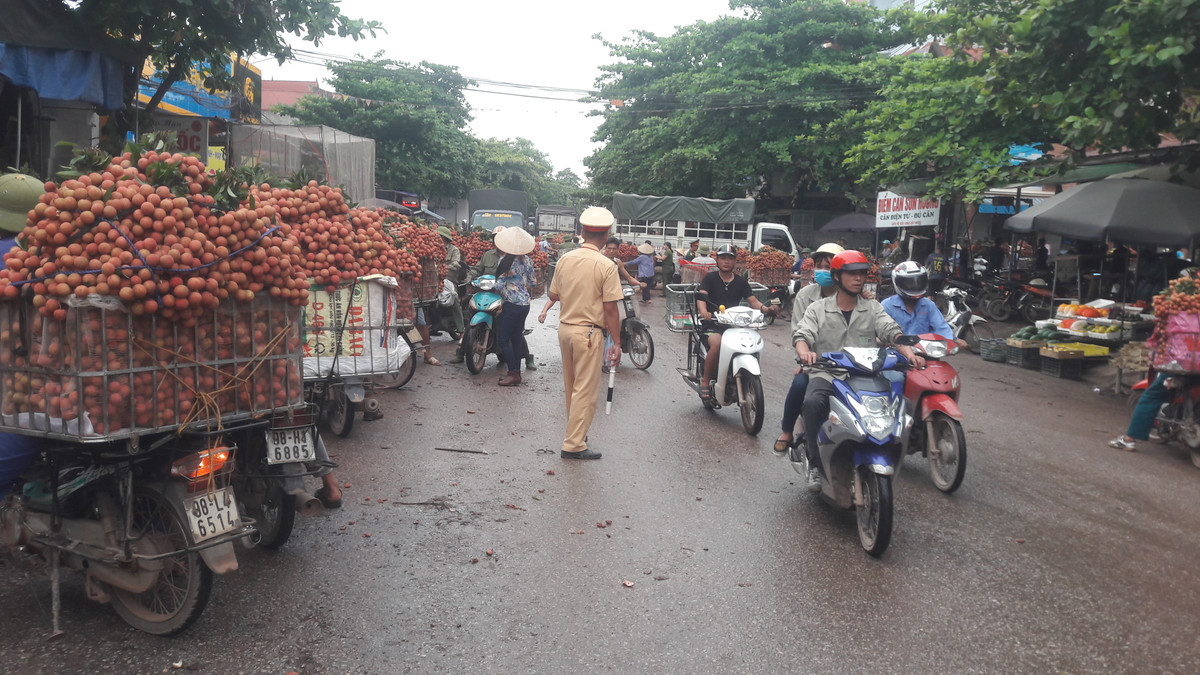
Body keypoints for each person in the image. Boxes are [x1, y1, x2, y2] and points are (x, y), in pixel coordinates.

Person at [793, 250, 924, 488]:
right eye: (851, 274)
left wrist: (910, 354)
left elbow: (892, 331)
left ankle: (887, 452)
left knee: (904, 405)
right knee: (812, 403)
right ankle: (814, 462)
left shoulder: (872, 308)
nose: (858, 279)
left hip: (865, 374)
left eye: (862, 274)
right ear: (837, 276)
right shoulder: (818, 309)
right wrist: (804, 352)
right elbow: (803, 334)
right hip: (828, 374)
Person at [546, 206, 623, 460]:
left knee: (571, 386)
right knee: (585, 390)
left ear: (582, 232)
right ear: (606, 235)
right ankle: (574, 444)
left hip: (566, 330)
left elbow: (553, 294)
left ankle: (576, 434)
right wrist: (617, 343)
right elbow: (610, 309)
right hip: (589, 333)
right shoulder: (606, 265)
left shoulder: (566, 259)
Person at [775, 242, 843, 454]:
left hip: (848, 363)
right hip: (816, 362)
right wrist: (805, 357)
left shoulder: (852, 296)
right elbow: (799, 331)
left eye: (828, 266)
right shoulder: (806, 296)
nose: (823, 271)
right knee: (799, 384)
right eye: (820, 266)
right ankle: (787, 431)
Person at [695, 244, 775, 402]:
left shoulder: (741, 281)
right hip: (713, 325)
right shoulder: (710, 278)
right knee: (717, 344)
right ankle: (705, 381)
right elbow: (701, 297)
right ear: (717, 260)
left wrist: (766, 309)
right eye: (723, 258)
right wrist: (704, 311)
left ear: (735, 262)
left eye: (730, 259)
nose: (726, 262)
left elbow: (753, 301)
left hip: (735, 326)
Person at [453, 227, 537, 370]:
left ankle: (527, 357)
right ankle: (462, 350)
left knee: (512, 334)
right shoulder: (489, 255)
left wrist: (504, 285)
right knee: (470, 318)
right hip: (489, 294)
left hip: (503, 298)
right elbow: (478, 269)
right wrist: (471, 276)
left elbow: (501, 283)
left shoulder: (506, 260)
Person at [880, 262, 964, 384]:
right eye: (909, 282)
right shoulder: (887, 306)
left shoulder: (928, 304)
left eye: (918, 281)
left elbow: (941, 328)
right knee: (894, 380)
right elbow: (880, 332)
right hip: (895, 358)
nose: (914, 286)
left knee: (945, 380)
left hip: (927, 356)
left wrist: (952, 341)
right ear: (897, 283)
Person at [493, 227, 538, 387]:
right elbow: (533, 282)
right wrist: (521, 282)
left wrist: (495, 284)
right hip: (524, 304)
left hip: (511, 304)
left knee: (503, 339)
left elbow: (498, 285)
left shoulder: (504, 261)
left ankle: (513, 373)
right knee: (516, 338)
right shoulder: (527, 260)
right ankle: (516, 373)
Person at [438, 226, 466, 338]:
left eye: (438, 236)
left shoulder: (454, 250)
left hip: (449, 281)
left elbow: (456, 264)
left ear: (443, 238)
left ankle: (461, 329)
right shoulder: (435, 248)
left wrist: (445, 267)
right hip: (435, 279)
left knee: (454, 301)